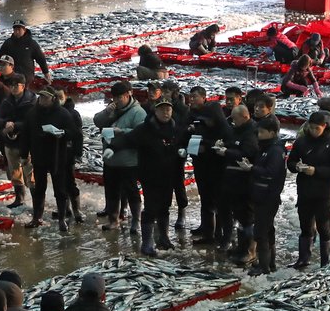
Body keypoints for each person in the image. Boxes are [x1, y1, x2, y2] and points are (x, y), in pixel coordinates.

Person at [114, 96, 185, 256]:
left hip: (169, 175)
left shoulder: (175, 128)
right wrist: (112, 147)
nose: (166, 113)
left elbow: (183, 142)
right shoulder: (145, 129)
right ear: (155, 111)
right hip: (150, 176)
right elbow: (127, 139)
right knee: (151, 208)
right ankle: (147, 243)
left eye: (168, 109)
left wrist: (183, 151)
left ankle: (163, 238)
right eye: (162, 110)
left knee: (165, 207)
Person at [286, 110, 330, 269]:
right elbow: (290, 162)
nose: (313, 131)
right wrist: (297, 167)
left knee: (323, 227)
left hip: (323, 193)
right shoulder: (301, 142)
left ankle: (325, 262)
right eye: (311, 128)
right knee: (305, 226)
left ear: (324, 127)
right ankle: (303, 258)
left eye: (316, 128)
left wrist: (316, 171)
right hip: (305, 191)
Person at [23, 87, 81, 231]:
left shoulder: (63, 113)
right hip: (39, 156)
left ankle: (62, 218)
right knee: (39, 188)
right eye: (41, 97)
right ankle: (37, 218)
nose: (42, 100)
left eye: (45, 98)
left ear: (53, 99)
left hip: (57, 156)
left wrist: (62, 134)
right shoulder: (32, 113)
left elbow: (73, 132)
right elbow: (25, 134)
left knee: (60, 189)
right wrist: (24, 153)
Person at [183, 86, 233, 244]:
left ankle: (220, 234)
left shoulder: (214, 111)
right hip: (200, 162)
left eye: (195, 97)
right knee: (205, 198)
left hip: (216, 164)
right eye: (190, 97)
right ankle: (207, 231)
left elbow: (225, 139)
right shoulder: (191, 114)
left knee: (218, 200)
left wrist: (207, 145)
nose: (192, 100)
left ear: (204, 97)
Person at [95, 81, 146, 231]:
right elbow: (97, 121)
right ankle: (113, 220)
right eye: (114, 98)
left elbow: (141, 134)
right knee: (111, 191)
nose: (116, 101)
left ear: (127, 95)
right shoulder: (113, 109)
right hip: (110, 159)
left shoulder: (138, 112)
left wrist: (121, 131)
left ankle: (136, 221)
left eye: (119, 98)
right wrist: (107, 112)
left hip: (128, 160)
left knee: (131, 191)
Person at [248, 116, 286, 275]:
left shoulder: (275, 150)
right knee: (268, 229)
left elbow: (271, 172)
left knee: (261, 232)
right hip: (261, 195)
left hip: (268, 196)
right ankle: (270, 264)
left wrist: (251, 168)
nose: (259, 135)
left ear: (272, 133)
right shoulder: (266, 147)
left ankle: (264, 268)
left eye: (262, 132)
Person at [0, 74, 37, 209]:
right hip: (10, 142)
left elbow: (32, 121)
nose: (13, 88)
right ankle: (19, 198)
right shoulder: (6, 101)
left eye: (16, 85)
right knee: (14, 171)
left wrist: (15, 125)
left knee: (29, 172)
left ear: (23, 86)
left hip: (27, 142)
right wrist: (5, 123)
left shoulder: (32, 101)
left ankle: (36, 201)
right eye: (11, 85)